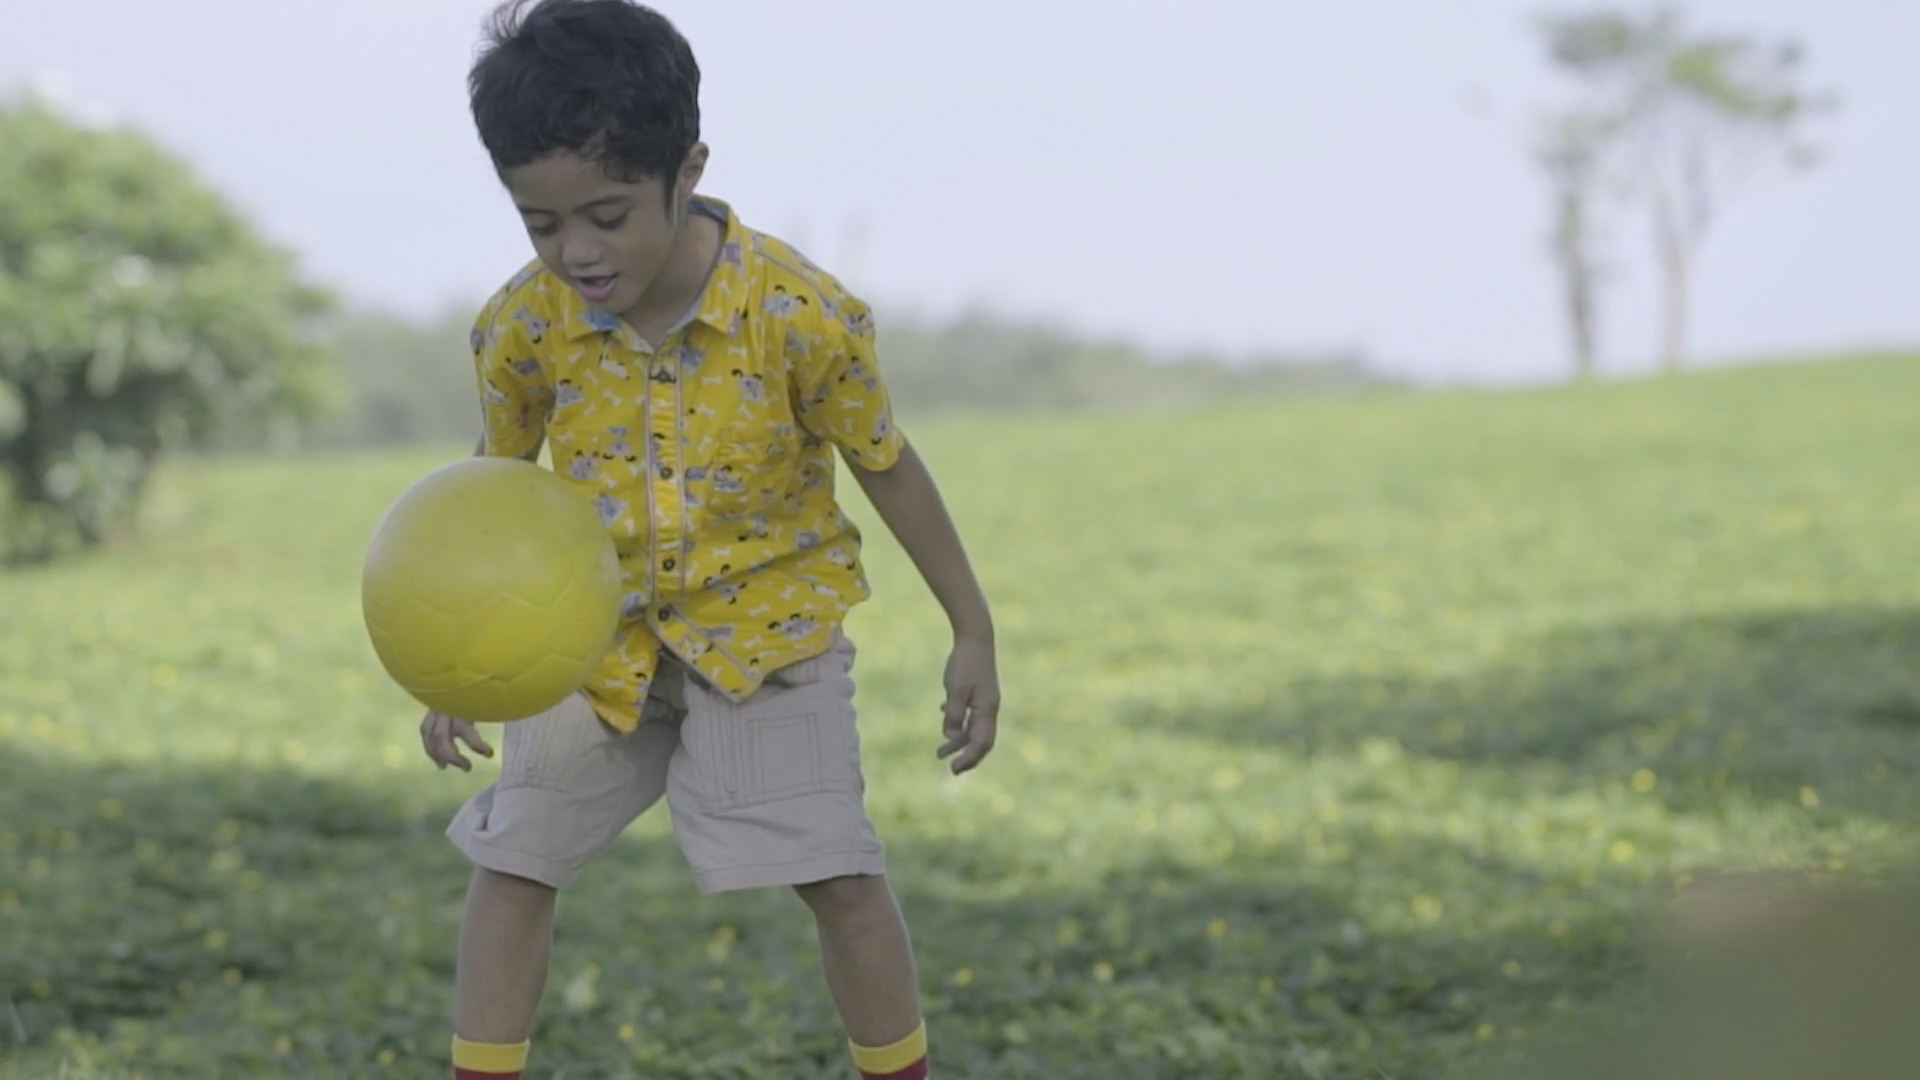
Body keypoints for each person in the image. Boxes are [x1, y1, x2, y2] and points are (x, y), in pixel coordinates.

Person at [417, 3, 1001, 1078]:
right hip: (585, 639)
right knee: (513, 860)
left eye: (606, 214)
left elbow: (884, 462)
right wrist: (459, 658)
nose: (578, 254)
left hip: (765, 637)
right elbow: (492, 497)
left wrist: (971, 625)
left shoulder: (800, 313)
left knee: (837, 874)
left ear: (687, 168)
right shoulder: (523, 325)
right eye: (541, 226)